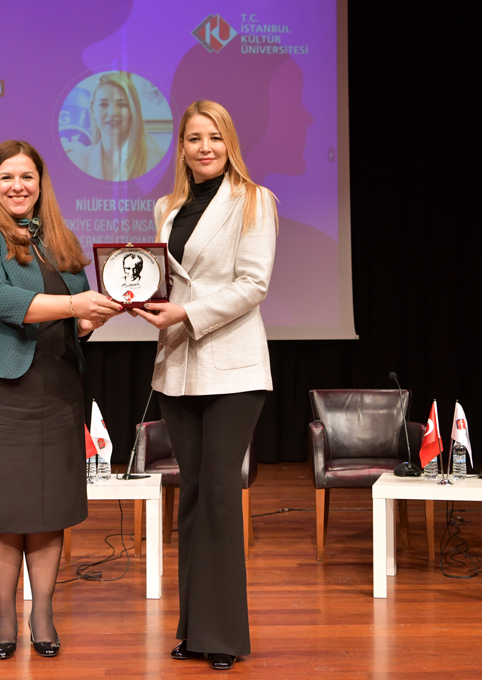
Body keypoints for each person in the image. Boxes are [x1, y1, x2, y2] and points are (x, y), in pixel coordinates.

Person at [0, 140, 122, 660]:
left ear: (41, 183)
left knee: (48, 508)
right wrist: (74, 305)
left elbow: (76, 318)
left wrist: (90, 321)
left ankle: (42, 613)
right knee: (3, 509)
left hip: (56, 388)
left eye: (27, 176)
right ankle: (5, 615)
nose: (18, 186)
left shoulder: (61, 241)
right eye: (6, 177)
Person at [132, 101, 277, 671]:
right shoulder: (166, 208)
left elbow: (253, 284)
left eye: (215, 137)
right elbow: (168, 283)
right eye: (194, 138)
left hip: (234, 367)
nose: (205, 147)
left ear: (229, 141)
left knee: (218, 493)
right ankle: (193, 630)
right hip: (177, 366)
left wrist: (186, 314)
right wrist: (142, 300)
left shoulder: (255, 200)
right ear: (182, 147)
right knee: (191, 494)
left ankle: (223, 636)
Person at [69, 72, 165, 181]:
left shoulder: (154, 162)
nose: (113, 112)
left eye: (122, 104)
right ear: (93, 110)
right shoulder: (77, 161)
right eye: (103, 104)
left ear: (133, 111)